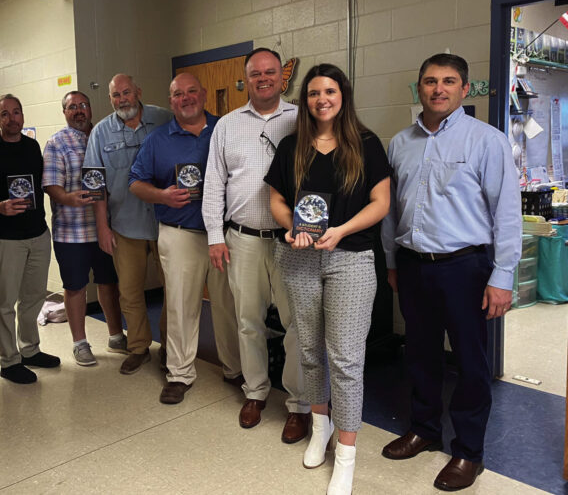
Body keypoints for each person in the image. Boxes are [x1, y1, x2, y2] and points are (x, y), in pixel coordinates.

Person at [380, 53, 521, 491]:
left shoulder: (487, 140)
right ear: (419, 88)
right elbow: (390, 210)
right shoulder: (400, 143)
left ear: (464, 88)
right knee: (420, 354)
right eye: (430, 81)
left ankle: (468, 452)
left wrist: (503, 276)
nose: (438, 89)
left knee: (470, 364)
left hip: (466, 268)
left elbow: (507, 212)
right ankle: (424, 429)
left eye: (448, 81)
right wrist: (391, 262)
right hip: (413, 266)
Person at [265, 64, 390, 494]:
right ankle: (320, 427)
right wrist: (290, 228)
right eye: (314, 92)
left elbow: (380, 202)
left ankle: (347, 453)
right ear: (305, 100)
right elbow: (277, 199)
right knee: (310, 349)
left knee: (346, 359)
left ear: (343, 96)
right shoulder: (291, 146)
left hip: (350, 258)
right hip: (299, 258)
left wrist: (341, 230)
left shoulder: (366, 144)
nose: (322, 99)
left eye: (330, 91)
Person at [202, 48, 310, 443]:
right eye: (255, 74)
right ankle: (256, 392)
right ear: (245, 79)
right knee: (248, 322)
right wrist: (216, 237)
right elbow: (214, 183)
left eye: (270, 72)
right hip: (243, 239)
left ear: (282, 77)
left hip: (291, 241)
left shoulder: (301, 119)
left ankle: (298, 404)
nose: (263, 79)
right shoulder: (227, 125)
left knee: (296, 325)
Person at [129, 73, 242, 404]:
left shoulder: (226, 129)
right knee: (180, 306)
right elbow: (135, 182)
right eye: (178, 94)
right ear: (171, 101)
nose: (186, 98)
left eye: (192, 91)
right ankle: (179, 373)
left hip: (224, 234)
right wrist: (162, 195)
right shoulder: (158, 139)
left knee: (229, 305)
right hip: (180, 234)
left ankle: (235, 369)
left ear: (203, 94)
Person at [83, 74, 173, 375]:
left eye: (126, 93)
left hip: (166, 223)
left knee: (173, 290)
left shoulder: (164, 119)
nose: (122, 100)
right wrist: (102, 227)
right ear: (110, 99)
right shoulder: (100, 133)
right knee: (130, 293)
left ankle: (170, 348)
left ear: (138, 92)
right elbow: (95, 184)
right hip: (125, 225)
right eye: (116, 95)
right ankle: (138, 347)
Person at [0, 94, 61, 385]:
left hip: (38, 233)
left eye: (17, 112)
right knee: (6, 302)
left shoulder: (33, 147)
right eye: (5, 114)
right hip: (7, 238)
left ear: (23, 115)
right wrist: (0, 207)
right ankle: (9, 361)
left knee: (34, 297)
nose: (12, 118)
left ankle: (30, 350)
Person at [42, 91, 125, 366]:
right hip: (71, 232)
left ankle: (116, 337)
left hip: (106, 228)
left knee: (109, 283)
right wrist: (68, 198)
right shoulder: (57, 143)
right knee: (75, 287)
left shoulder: (104, 136)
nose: (79, 110)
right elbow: (51, 184)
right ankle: (80, 344)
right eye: (72, 107)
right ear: (64, 112)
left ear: (90, 108)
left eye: (83, 105)